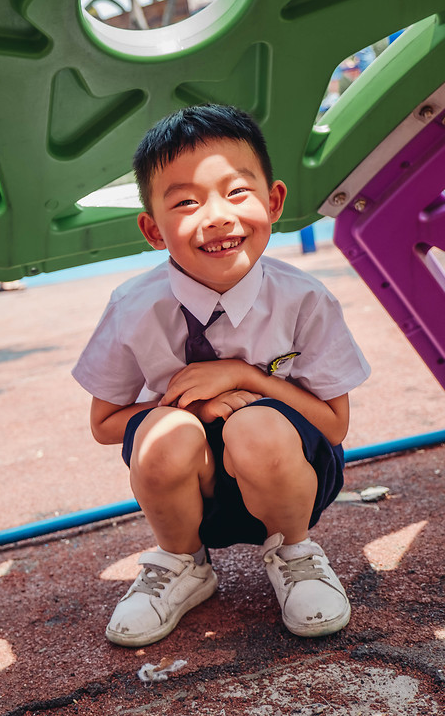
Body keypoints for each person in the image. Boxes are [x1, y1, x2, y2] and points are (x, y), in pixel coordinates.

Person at [72, 104, 370, 647]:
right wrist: (189, 406)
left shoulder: (304, 299)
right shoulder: (132, 306)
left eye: (236, 192)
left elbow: (333, 426)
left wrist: (244, 378)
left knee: (256, 427)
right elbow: (104, 423)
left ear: (273, 201)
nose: (216, 216)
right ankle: (184, 562)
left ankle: (294, 552)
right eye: (185, 201)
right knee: (164, 435)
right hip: (193, 493)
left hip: (291, 478)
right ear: (152, 229)